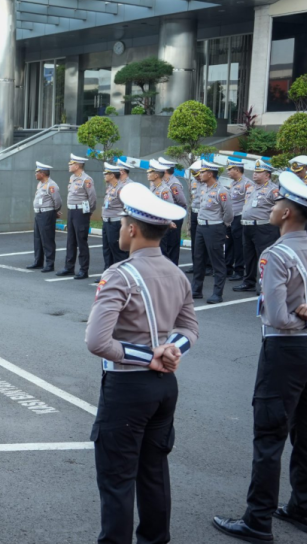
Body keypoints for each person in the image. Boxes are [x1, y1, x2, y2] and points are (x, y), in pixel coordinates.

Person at [213, 172, 307, 543]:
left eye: (277, 203)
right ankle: (304, 508)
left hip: (285, 350)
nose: (272, 206)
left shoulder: (274, 254)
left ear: (287, 213)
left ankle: (257, 521)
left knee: (269, 435)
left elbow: (276, 317)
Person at [85, 181, 198, 544]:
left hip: (128, 386)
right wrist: (171, 350)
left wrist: (150, 356)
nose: (119, 229)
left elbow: (97, 341)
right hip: (164, 386)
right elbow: (190, 328)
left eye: (121, 224)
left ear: (132, 229)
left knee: (117, 479)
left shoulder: (118, 275)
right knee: (154, 472)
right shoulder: (177, 273)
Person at [234, 162, 281, 294]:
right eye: (255, 171)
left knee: (264, 257)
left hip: (264, 227)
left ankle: (265, 285)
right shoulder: (251, 188)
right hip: (247, 226)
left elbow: (280, 207)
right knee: (248, 256)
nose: (255, 174)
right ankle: (248, 282)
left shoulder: (273, 189)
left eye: (259, 172)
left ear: (267, 175)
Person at [191, 161, 233, 303]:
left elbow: (229, 213)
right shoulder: (204, 188)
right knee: (198, 259)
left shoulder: (222, 191)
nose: (200, 174)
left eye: (203, 172)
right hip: (201, 227)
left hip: (214, 228)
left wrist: (223, 226)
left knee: (217, 261)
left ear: (210, 174)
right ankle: (196, 290)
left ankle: (217, 293)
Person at [57, 154, 96, 279]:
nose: (69, 165)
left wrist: (88, 211)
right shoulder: (72, 178)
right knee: (71, 240)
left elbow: (92, 198)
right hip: (71, 211)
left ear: (77, 166)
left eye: (71, 164)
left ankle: (84, 269)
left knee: (81, 241)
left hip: (81, 212)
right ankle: (69, 267)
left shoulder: (87, 179)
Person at [26, 162, 61, 272]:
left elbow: (57, 201)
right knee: (38, 239)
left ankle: (50, 264)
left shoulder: (51, 185)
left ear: (43, 173)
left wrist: (54, 212)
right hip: (39, 214)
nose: (35, 174)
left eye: (37, 172)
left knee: (47, 239)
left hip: (46, 214)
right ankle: (38, 261)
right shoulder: (40, 184)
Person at [147, 160, 181, 265]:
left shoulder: (164, 190)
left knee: (162, 253)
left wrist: (169, 222)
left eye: (150, 172)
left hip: (160, 225)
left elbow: (169, 208)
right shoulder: (153, 188)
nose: (148, 174)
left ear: (156, 175)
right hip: (152, 224)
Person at [100, 162, 131, 274]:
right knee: (107, 249)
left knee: (117, 250)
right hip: (107, 221)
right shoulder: (110, 187)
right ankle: (108, 273)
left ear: (112, 175)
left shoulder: (121, 188)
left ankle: (121, 274)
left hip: (115, 223)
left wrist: (125, 223)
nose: (104, 175)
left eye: (106, 173)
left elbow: (127, 207)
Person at [226, 162, 254, 281]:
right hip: (230, 217)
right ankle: (228, 268)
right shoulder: (233, 183)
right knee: (229, 243)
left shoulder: (247, 184)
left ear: (237, 170)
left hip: (239, 217)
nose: (228, 172)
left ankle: (239, 270)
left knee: (238, 245)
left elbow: (249, 202)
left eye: (230, 170)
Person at [157, 158, 188, 265]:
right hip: (166, 217)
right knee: (164, 245)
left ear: (165, 170)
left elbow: (182, 202)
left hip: (174, 217)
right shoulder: (163, 182)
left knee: (172, 246)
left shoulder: (174, 184)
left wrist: (176, 215)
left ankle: (173, 269)